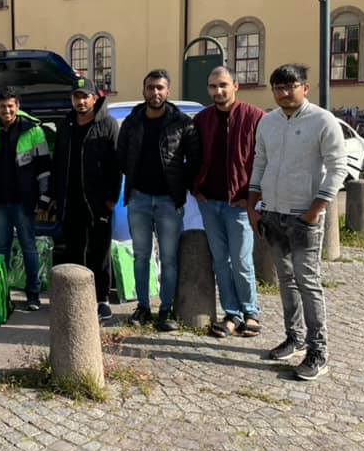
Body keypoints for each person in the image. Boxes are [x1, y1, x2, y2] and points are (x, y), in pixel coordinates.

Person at [248, 63, 347, 381]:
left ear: (305, 88)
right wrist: (253, 202)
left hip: (304, 216)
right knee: (286, 280)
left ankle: (318, 351)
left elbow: (338, 167)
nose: (284, 92)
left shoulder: (322, 120)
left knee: (308, 282)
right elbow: (260, 161)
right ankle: (295, 337)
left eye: (290, 86)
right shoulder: (268, 122)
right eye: (278, 87)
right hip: (273, 213)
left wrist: (316, 209)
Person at [116, 69, 201, 332]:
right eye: (151, 87)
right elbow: (121, 156)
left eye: (160, 88)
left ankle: (167, 309)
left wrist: (180, 185)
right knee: (141, 256)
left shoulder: (182, 122)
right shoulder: (132, 121)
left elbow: (194, 159)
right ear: (144, 90)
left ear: (168, 90)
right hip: (139, 199)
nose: (155, 92)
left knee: (168, 258)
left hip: (168, 201)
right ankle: (143, 307)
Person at [193, 67, 267, 339]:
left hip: (239, 203)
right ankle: (232, 314)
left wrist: (252, 197)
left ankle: (251, 313)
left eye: (223, 85)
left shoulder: (256, 117)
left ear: (236, 85)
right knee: (221, 263)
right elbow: (192, 156)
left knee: (242, 261)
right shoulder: (202, 119)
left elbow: (265, 160)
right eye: (213, 86)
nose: (218, 91)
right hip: (209, 202)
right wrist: (195, 188)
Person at [51, 77, 121, 322]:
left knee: (99, 251)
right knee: (73, 250)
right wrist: (55, 196)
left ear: (94, 98)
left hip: (98, 201)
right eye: (76, 97)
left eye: (85, 97)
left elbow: (116, 165)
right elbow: (58, 162)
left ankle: (101, 299)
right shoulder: (65, 124)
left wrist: (112, 197)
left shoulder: (108, 124)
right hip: (70, 200)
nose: (80, 101)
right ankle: (76, 297)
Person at [0, 87, 51, 311]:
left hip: (24, 201)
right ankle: (2, 293)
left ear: (17, 106)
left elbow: (44, 168)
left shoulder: (34, 131)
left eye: (10, 106)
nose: (6, 110)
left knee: (29, 247)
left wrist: (44, 198)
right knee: (2, 249)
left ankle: (33, 294)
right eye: (2, 106)